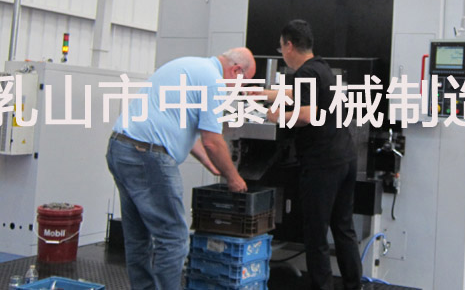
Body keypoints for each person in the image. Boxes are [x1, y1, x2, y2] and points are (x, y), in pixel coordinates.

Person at [106, 48, 255, 290]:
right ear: (236, 70)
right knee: (173, 239)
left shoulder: (191, 66)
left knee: (138, 238)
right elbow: (212, 141)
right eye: (244, 82)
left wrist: (209, 162)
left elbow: (182, 126)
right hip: (147, 156)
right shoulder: (214, 82)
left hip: (121, 148)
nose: (241, 89)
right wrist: (233, 177)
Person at [265, 20, 362, 290]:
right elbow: (298, 93)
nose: (282, 53)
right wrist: (262, 92)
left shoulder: (305, 73)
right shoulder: (321, 68)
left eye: (281, 48)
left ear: (289, 46)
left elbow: (308, 115)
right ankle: (354, 286)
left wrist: (275, 116)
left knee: (316, 234)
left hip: (323, 164)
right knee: (343, 228)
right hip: (345, 157)